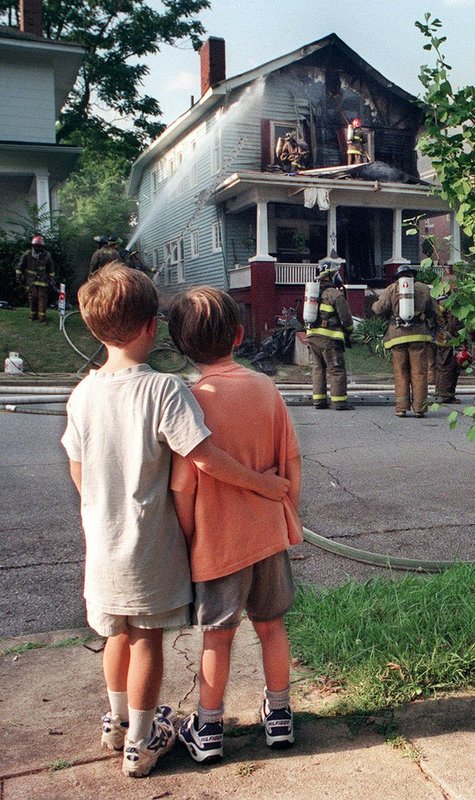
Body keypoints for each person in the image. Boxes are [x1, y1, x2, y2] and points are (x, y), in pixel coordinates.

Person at [61, 264, 289, 779]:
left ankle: (117, 722)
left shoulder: (82, 393)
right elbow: (203, 459)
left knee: (116, 634)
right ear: (151, 327)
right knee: (146, 639)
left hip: (102, 542)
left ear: (94, 329)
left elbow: (78, 467)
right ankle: (141, 742)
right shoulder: (164, 389)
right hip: (149, 543)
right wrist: (263, 485)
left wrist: (101, 508)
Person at [168, 286, 302, 764]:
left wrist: (189, 537)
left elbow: (183, 485)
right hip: (268, 535)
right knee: (272, 626)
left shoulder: (190, 401)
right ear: (240, 336)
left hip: (217, 542)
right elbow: (291, 460)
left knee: (217, 636)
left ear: (180, 346)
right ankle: (280, 715)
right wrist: (285, 511)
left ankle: (208, 727)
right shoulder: (266, 388)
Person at [372, 265, 436, 417]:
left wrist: (377, 303)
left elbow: (379, 309)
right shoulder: (423, 288)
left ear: (398, 277)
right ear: (413, 275)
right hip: (419, 336)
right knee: (419, 373)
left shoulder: (392, 288)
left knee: (400, 372)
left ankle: (401, 408)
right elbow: (433, 310)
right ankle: (419, 408)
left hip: (397, 336)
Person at [305, 262, 354, 410]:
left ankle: (319, 401)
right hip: (329, 338)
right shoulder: (334, 294)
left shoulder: (313, 292)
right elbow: (346, 317)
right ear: (329, 276)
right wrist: (349, 330)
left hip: (312, 336)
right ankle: (339, 402)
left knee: (318, 369)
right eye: (334, 274)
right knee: (336, 369)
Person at [15, 234, 56, 323]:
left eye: (39, 246)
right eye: (36, 246)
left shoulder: (47, 255)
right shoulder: (27, 254)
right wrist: (18, 276)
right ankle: (33, 316)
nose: (37, 248)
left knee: (42, 299)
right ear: (33, 245)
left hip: (43, 281)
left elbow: (51, 269)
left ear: (42, 246)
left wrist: (52, 279)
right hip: (30, 281)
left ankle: (41, 318)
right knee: (32, 298)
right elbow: (20, 266)